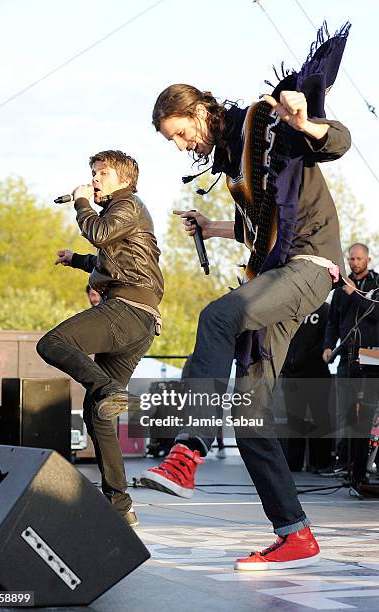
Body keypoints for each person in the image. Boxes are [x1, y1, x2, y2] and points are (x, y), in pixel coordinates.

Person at [140, 23, 351, 570]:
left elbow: (338, 142)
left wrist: (307, 121)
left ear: (202, 113)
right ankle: (295, 533)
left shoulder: (264, 125)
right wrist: (214, 228)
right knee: (251, 415)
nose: (183, 146)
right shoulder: (238, 162)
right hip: (278, 275)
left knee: (215, 318)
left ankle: (189, 449)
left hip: (310, 267)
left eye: (182, 134)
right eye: (174, 142)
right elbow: (264, 226)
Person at [37, 150, 164, 527]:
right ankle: (120, 505)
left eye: (101, 173)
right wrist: (77, 259)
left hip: (127, 309)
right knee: (99, 414)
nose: (94, 179)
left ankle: (108, 388)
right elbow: (110, 259)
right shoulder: (121, 213)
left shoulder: (126, 205)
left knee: (52, 344)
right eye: (92, 173)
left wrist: (79, 202)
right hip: (140, 318)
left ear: (123, 179)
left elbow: (100, 234)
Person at [322, 243, 379, 478]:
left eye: (359, 258)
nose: (355, 263)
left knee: (368, 411)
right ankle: (345, 463)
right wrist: (327, 345)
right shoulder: (340, 290)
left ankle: (363, 464)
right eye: (352, 259)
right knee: (345, 410)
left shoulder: (376, 284)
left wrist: (353, 293)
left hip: (373, 355)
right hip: (347, 354)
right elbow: (332, 322)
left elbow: (376, 314)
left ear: (368, 259)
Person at [281, 303, 334, 473]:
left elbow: (329, 338)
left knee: (320, 418)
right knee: (295, 420)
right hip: (292, 374)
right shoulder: (291, 308)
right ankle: (294, 464)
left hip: (317, 373)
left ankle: (321, 463)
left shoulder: (325, 309)